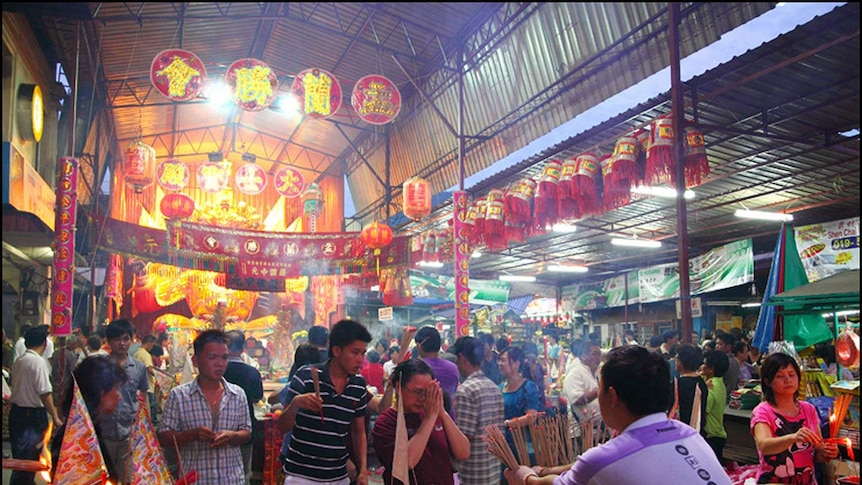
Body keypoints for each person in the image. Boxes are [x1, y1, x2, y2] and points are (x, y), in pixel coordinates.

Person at [504, 345, 731, 485]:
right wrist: (545, 470)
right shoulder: (688, 434)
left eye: (599, 388)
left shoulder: (606, 457)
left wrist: (527, 477)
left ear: (611, 396)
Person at [277, 319, 373, 485]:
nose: (360, 360)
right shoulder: (306, 376)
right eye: (355, 352)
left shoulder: (358, 385)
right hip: (301, 476)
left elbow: (359, 431)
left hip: (338, 476)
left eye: (363, 353)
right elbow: (282, 426)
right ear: (336, 350)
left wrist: (363, 469)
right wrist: (295, 405)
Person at [158, 329, 251, 485]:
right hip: (195, 479)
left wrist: (232, 436)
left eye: (224, 357)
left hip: (231, 478)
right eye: (212, 357)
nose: (220, 363)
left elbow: (247, 432)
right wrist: (191, 435)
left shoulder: (237, 394)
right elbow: (164, 437)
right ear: (196, 361)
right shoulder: (179, 395)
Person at [371, 359, 470, 485]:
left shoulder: (431, 411)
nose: (422, 398)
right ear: (398, 387)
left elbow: (464, 452)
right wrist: (429, 419)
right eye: (418, 391)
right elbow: (407, 462)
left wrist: (442, 413)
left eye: (427, 392)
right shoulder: (386, 423)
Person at [751, 352, 839, 484]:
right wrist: (793, 437)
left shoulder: (808, 409)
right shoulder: (763, 411)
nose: (787, 380)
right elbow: (764, 445)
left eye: (791, 375)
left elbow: (818, 451)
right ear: (768, 382)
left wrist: (827, 452)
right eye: (780, 376)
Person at [51, 355, 129, 476]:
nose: (120, 396)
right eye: (116, 388)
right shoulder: (78, 437)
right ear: (100, 391)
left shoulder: (89, 427)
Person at [95, 319, 149, 483]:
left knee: (129, 479)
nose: (122, 343)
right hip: (104, 433)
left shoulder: (139, 368)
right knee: (105, 479)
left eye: (126, 339)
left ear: (132, 340)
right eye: (117, 339)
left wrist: (146, 428)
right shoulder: (100, 367)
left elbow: (144, 397)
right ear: (109, 341)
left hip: (129, 434)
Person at [8, 325, 63, 485]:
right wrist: (55, 416)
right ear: (45, 343)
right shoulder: (37, 362)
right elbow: (45, 392)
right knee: (29, 460)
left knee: (21, 458)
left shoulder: (19, 361)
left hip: (17, 413)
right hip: (32, 417)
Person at [451, 335, 505, 485]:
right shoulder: (494, 388)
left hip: (473, 474)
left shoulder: (466, 391)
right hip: (493, 470)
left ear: (461, 358)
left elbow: (464, 438)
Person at [224, 330, 264, 485]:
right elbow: (257, 397)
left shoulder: (216, 371)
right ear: (243, 348)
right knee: (244, 471)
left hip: (218, 429)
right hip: (245, 427)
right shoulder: (251, 372)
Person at [413, 326, 460, 407]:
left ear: (419, 346)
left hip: (423, 418)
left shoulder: (415, 368)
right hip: (448, 417)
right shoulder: (453, 368)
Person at [563, 339, 602, 424]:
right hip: (582, 430)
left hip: (599, 429)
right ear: (584, 356)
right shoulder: (575, 374)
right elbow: (577, 400)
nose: (598, 358)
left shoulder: (597, 374)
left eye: (599, 354)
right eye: (594, 354)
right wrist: (600, 390)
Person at [702, 349, 729, 466]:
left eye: (704, 364)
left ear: (711, 369)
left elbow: (704, 413)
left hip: (711, 436)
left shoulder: (710, 387)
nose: (701, 367)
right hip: (719, 433)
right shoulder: (719, 383)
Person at [674, 343, 707, 435]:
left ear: (682, 362)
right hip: (697, 429)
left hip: (681, 430)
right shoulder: (701, 382)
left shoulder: (679, 383)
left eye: (677, 359)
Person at [51, 334, 83, 416]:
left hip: (55, 383)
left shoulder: (55, 353)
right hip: (65, 385)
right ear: (72, 344)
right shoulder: (69, 355)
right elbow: (73, 371)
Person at [133, 334, 158, 424]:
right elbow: (149, 368)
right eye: (152, 345)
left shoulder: (137, 353)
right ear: (149, 344)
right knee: (150, 406)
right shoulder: (146, 355)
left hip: (138, 385)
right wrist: (159, 376)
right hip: (148, 385)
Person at [715, 332, 740, 398]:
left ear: (728, 347)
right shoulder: (735, 361)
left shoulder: (724, 362)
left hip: (723, 396)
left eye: (720, 344)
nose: (716, 346)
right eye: (716, 344)